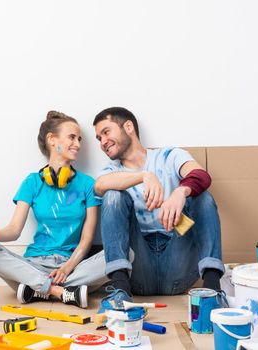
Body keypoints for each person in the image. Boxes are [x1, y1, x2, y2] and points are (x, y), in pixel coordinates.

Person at [0, 111, 108, 309]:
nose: (78, 144)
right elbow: (14, 230)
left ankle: (36, 290)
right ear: (52, 139)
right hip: (33, 265)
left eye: (79, 139)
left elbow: (87, 239)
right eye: (72, 137)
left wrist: (68, 266)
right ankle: (60, 292)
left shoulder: (88, 184)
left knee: (124, 252)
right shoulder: (32, 182)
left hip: (72, 267)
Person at [92, 107, 224, 307]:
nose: (102, 142)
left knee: (202, 197)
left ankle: (212, 292)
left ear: (128, 127)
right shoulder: (112, 171)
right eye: (98, 138)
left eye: (106, 132)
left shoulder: (169, 156)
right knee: (112, 195)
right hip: (137, 269)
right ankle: (120, 291)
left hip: (178, 260)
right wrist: (144, 176)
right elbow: (99, 185)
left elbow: (201, 176)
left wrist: (181, 192)